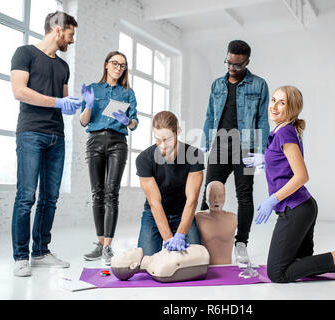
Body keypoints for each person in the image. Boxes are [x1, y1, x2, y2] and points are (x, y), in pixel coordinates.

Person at [249, 85, 335, 283]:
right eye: (273, 100)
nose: (274, 106)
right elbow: (285, 165)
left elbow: (301, 176)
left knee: (277, 273)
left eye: (282, 103)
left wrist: (272, 200)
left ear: (292, 108)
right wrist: (265, 160)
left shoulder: (284, 133)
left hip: (295, 209)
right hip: (304, 207)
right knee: (301, 264)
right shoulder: (281, 130)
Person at [10, 11, 80, 277]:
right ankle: (20, 256)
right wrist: (58, 102)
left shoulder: (63, 66)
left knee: (50, 198)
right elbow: (20, 91)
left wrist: (77, 103)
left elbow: (64, 104)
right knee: (26, 196)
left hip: (56, 136)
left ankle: (40, 252)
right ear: (58, 29)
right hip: (30, 133)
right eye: (71, 34)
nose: (71, 41)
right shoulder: (25, 53)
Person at [200, 40, 269, 265]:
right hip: (219, 145)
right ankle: (197, 241)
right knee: (208, 193)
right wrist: (204, 143)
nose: (232, 68)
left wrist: (262, 152)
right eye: (229, 63)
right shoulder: (217, 85)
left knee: (244, 196)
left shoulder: (259, 85)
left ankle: (241, 244)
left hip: (246, 147)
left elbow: (263, 120)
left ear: (247, 62)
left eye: (237, 65)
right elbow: (210, 115)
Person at [80, 51, 139, 266]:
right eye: (115, 63)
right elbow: (84, 122)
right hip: (94, 142)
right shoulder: (94, 89)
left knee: (111, 193)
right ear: (106, 65)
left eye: (122, 65)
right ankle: (99, 242)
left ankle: (107, 247)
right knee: (97, 193)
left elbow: (135, 123)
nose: (118, 67)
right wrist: (88, 104)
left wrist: (126, 120)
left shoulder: (127, 92)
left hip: (117, 143)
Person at [136, 111, 205, 256]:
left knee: (196, 259)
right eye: (158, 139)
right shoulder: (144, 159)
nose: (163, 145)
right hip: (154, 213)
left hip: (183, 211)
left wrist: (180, 235)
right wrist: (168, 239)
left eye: (167, 139)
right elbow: (155, 204)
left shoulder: (194, 155)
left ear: (178, 132)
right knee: (146, 261)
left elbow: (192, 200)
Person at [195, 181, 237, 265]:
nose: (216, 200)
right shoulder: (198, 218)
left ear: (225, 197)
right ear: (206, 197)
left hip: (227, 268)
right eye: (212, 195)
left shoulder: (233, 218)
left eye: (220, 196)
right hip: (205, 269)